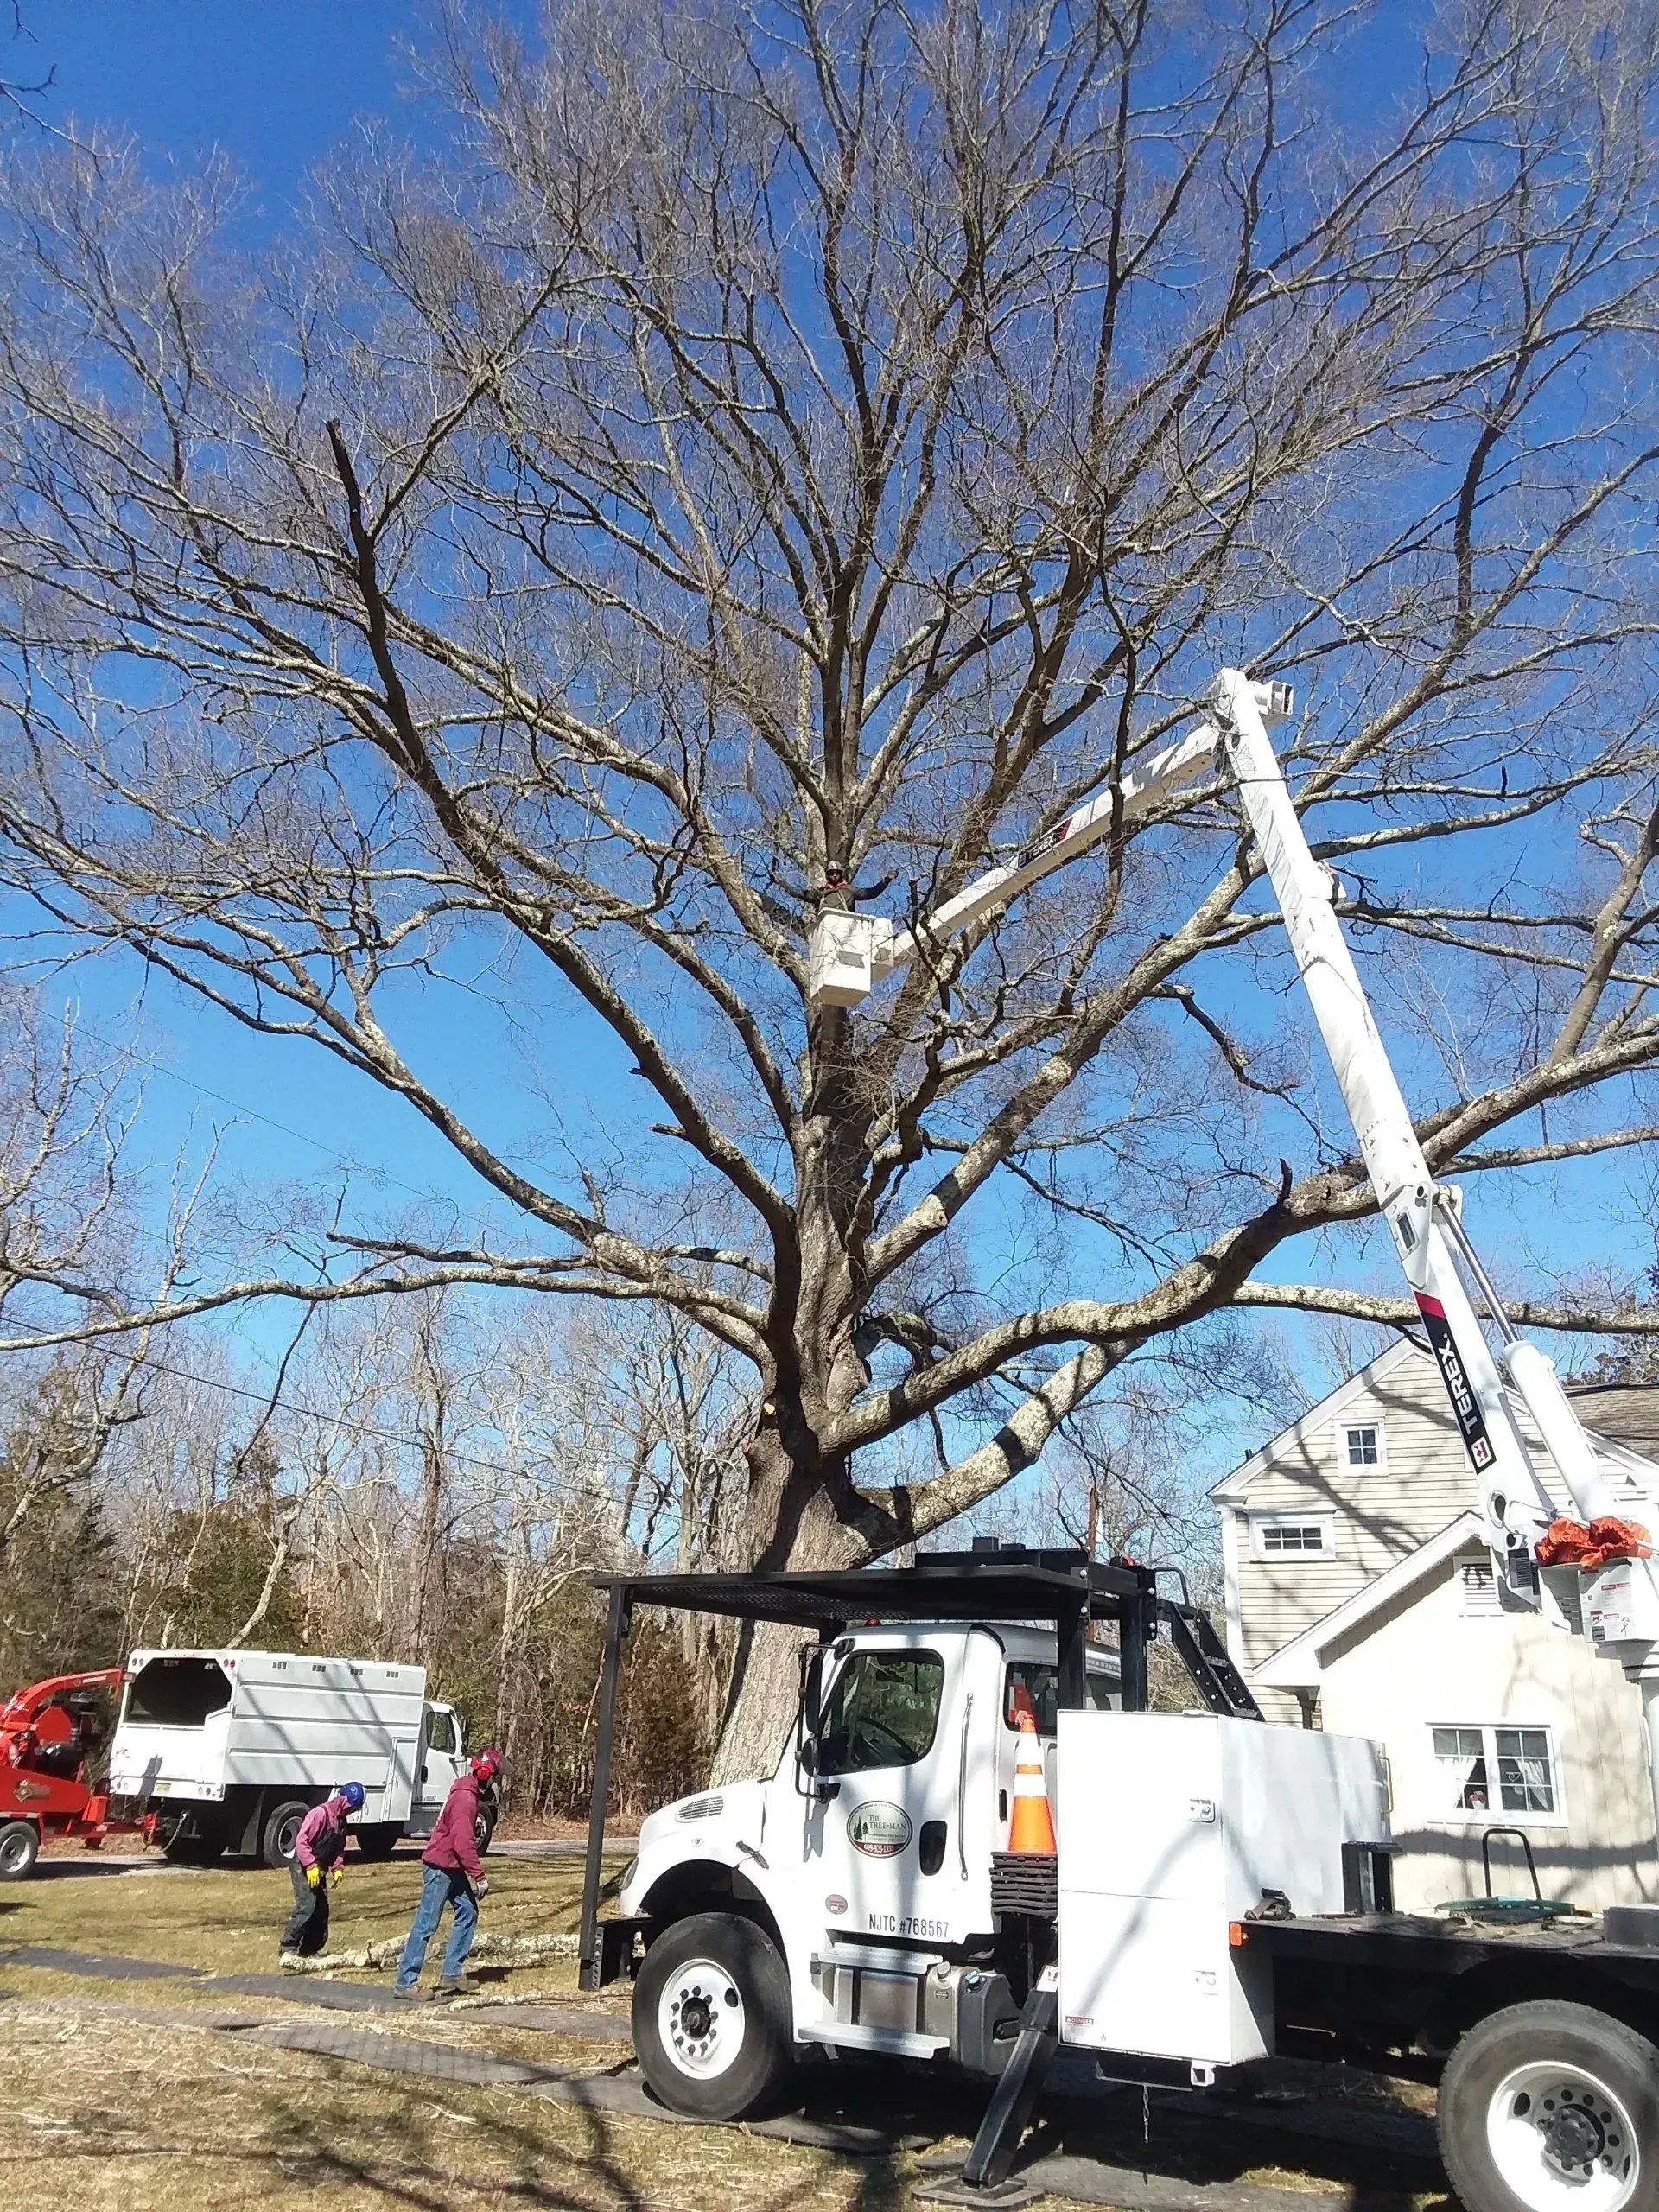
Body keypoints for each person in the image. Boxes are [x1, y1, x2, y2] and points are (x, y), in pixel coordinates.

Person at [394, 1747, 500, 2001]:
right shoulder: (466, 1799)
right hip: (441, 1866)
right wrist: (479, 1876)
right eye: (494, 1775)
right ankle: (405, 1981)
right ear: (485, 1774)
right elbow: (463, 1843)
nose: (494, 1781)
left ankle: (452, 1973)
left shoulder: (468, 1793)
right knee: (427, 1923)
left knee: (468, 1912)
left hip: (451, 1867)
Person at [278, 1781, 365, 1967]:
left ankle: (309, 1951)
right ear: (344, 1800)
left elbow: (339, 1848)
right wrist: (310, 1866)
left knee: (321, 1911)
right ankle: (288, 1948)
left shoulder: (341, 1821)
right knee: (307, 1907)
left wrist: (338, 1868)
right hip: (304, 1866)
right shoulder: (319, 1814)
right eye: (351, 1807)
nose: (351, 1812)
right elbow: (301, 1841)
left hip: (320, 1869)